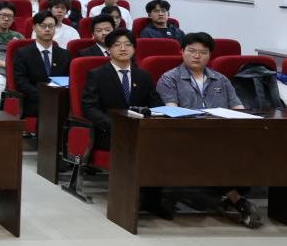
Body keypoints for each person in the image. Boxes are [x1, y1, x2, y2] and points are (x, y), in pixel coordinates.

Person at [156, 31, 261, 228]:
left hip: (222, 136)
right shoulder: (169, 79)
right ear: (182, 52)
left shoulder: (220, 79)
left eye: (203, 52)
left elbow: (238, 109)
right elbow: (172, 112)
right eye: (192, 51)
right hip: (185, 136)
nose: (197, 56)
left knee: (250, 149)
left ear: (210, 55)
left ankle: (232, 199)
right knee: (212, 153)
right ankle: (238, 201)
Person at [80, 29, 169, 218]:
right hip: (109, 131)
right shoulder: (97, 74)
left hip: (140, 131)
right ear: (109, 49)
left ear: (134, 49)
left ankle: (153, 201)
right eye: (117, 45)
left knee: (160, 146)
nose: (123, 48)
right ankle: (128, 201)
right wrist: (114, 125)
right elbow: (90, 108)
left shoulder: (143, 76)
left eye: (128, 45)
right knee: (135, 147)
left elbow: (156, 104)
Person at [12, 9, 71, 119]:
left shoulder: (64, 54)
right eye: (43, 26)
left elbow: (66, 79)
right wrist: (44, 96)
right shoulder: (23, 53)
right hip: (34, 101)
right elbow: (22, 82)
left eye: (51, 26)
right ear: (34, 28)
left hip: (59, 101)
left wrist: (54, 96)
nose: (47, 29)